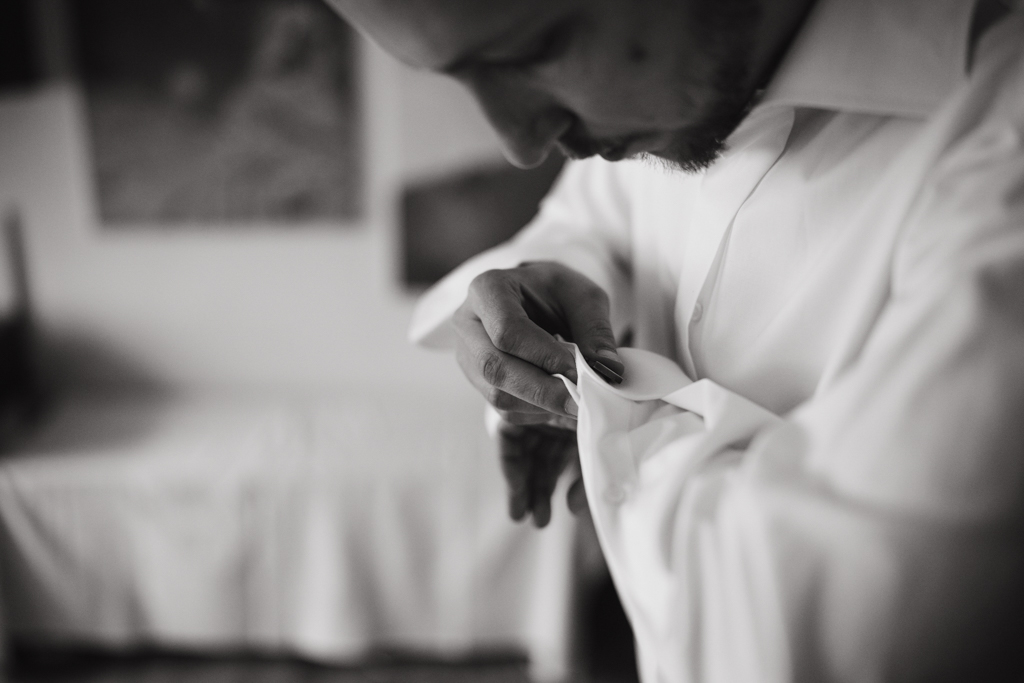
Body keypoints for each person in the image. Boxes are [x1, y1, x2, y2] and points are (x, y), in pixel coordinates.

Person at [328, 0, 1024, 680]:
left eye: (533, 49)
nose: (519, 143)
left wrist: (610, 421)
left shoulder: (1001, 154)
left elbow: (783, 643)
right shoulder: (652, 95)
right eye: (459, 77)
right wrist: (556, 287)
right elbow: (590, 214)